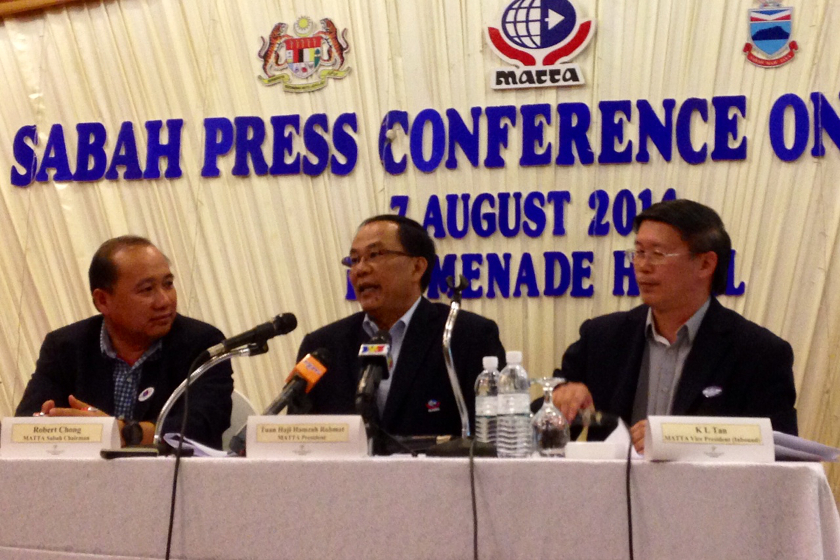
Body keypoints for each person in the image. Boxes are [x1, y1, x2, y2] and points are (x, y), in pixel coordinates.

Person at [553, 199, 797, 453]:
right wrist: (560, 401)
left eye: (657, 254)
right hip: (608, 491)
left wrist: (680, 438)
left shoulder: (759, 353)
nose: (642, 267)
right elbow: (537, 425)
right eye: (639, 252)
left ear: (705, 264)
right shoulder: (602, 338)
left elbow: (778, 449)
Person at [292, 215, 505, 440]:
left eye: (374, 255)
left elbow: (493, 439)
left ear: (417, 267)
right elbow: (295, 441)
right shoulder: (323, 346)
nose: (360, 270)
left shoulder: (467, 336)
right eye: (354, 260)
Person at [15, 236, 233, 449]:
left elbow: (201, 429)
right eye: (147, 290)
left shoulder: (203, 344)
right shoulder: (65, 347)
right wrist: (49, 423)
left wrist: (121, 432)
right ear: (102, 300)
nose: (165, 301)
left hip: (172, 481)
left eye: (168, 284)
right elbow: (25, 425)